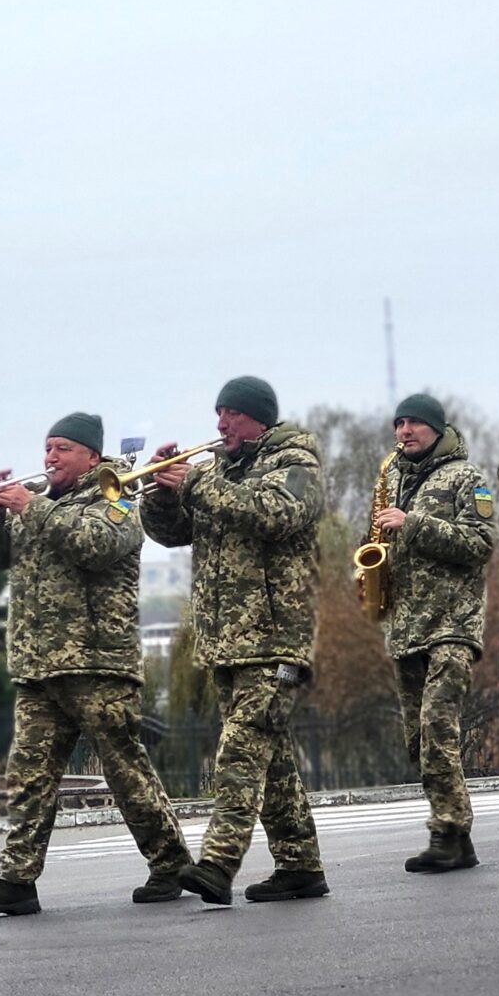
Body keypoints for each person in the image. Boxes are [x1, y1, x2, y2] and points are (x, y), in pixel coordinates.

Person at [0, 412, 193, 915]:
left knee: (125, 771)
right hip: (38, 666)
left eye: (62, 448)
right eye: (47, 447)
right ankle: (17, 879)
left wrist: (33, 508)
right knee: (28, 777)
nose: (50, 457)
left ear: (91, 456)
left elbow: (97, 546)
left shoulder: (117, 495)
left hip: (96, 663)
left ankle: (170, 863)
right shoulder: (38, 502)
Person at [142, 376, 329, 905]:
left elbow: (275, 514)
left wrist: (195, 484)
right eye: (218, 413)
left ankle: (218, 864)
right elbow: (172, 533)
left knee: (240, 753)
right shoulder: (219, 472)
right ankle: (300, 866)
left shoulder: (296, 463)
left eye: (232, 414)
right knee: (271, 757)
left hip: (276, 641)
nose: (221, 424)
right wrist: (161, 493)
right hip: (226, 641)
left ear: (258, 418)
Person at [370, 393, 497, 873]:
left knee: (437, 727)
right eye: (398, 423)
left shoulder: (466, 477)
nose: (404, 431)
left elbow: (480, 543)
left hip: (452, 624)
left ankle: (446, 832)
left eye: (414, 423)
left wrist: (413, 523)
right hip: (406, 627)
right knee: (418, 740)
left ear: (437, 429)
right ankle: (458, 839)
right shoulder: (393, 477)